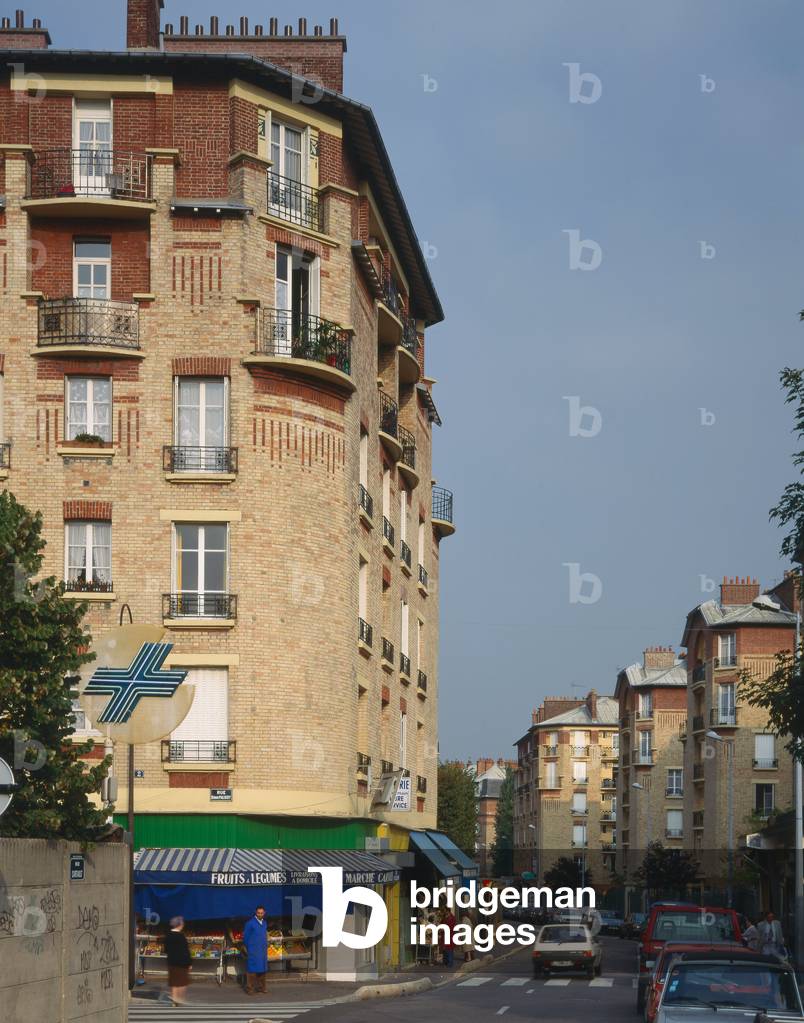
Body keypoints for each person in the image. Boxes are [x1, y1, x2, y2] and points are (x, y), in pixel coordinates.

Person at [163, 916, 191, 1005]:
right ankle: (180, 999)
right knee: (182, 982)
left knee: (174, 982)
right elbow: (186, 951)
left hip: (171, 962)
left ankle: (174, 1001)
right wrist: (189, 963)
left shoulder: (168, 936)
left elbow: (166, 950)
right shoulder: (181, 936)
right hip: (182, 963)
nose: (183, 925)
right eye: (182, 923)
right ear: (179, 925)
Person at [243, 905, 269, 994]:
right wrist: (248, 948)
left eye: (262, 913)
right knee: (252, 970)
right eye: (258, 913)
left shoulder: (264, 923)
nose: (260, 914)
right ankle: (250, 988)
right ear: (255, 912)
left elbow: (264, 935)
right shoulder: (250, 923)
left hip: (262, 950)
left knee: (262, 969)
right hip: (253, 950)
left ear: (264, 913)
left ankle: (262, 987)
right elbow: (245, 937)